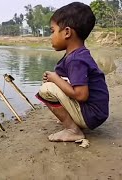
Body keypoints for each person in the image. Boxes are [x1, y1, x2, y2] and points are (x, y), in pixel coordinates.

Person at [35, 2, 109, 142]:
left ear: (67, 32)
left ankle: (72, 130)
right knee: (54, 83)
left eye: (52, 31)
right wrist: (55, 78)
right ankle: (71, 119)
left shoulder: (76, 60)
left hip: (91, 115)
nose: (50, 36)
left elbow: (81, 95)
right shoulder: (78, 55)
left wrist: (55, 78)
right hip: (95, 113)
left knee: (46, 90)